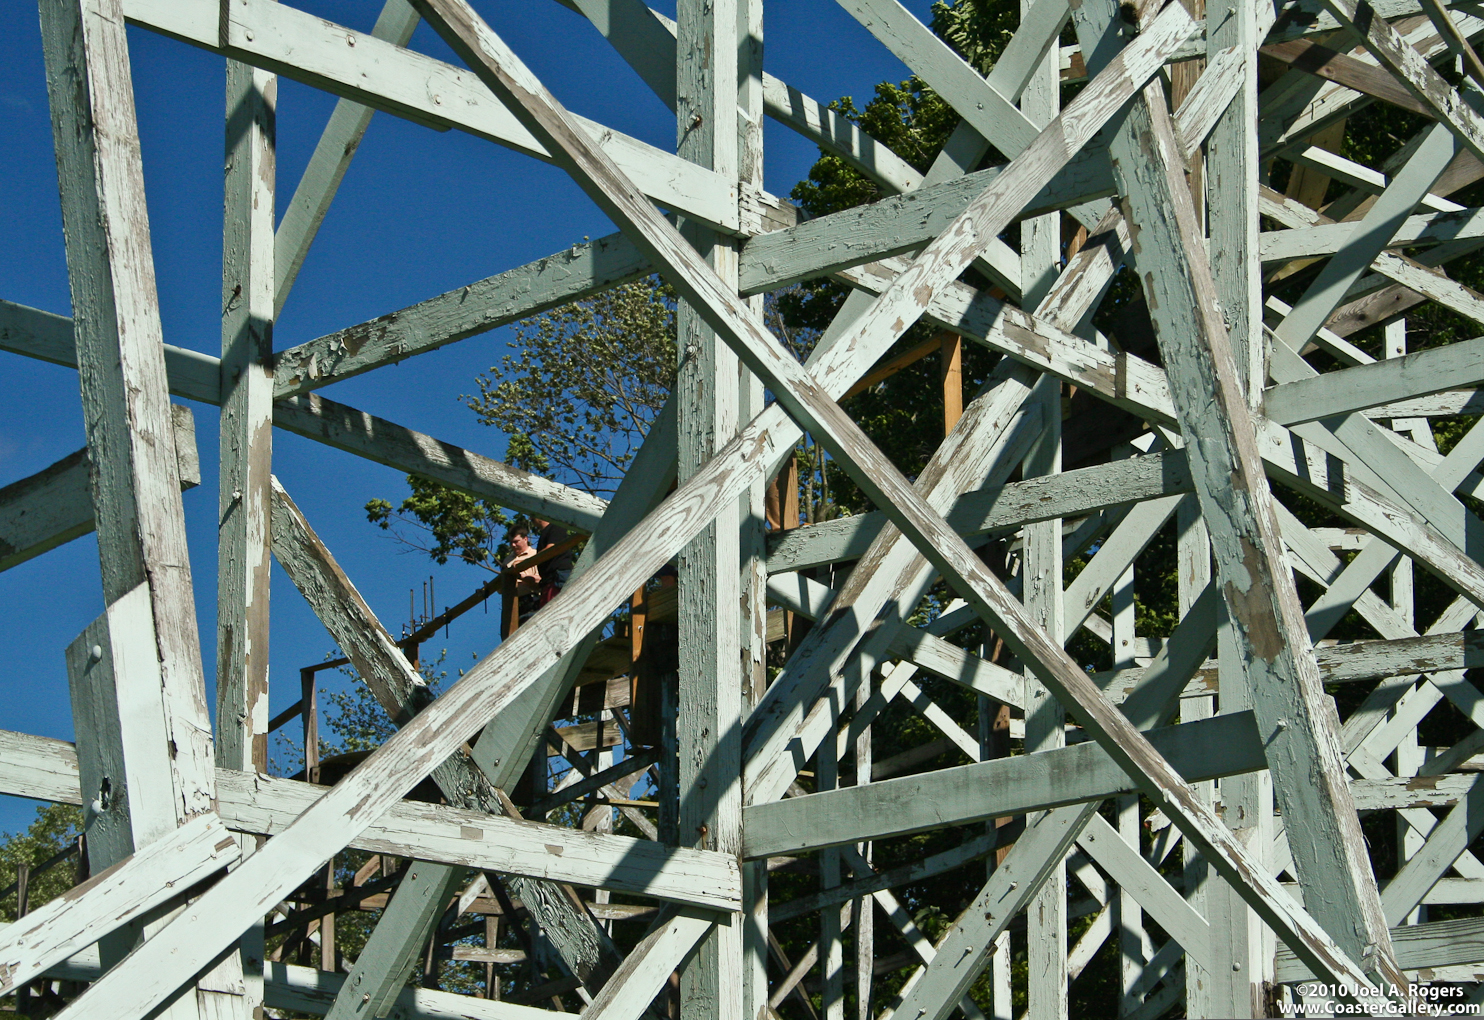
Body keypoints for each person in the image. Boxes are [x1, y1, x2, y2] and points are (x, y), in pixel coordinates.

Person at [531, 517, 575, 605]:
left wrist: (529, 562)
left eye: (532, 516)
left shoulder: (556, 527)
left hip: (558, 577)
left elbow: (550, 549)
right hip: (548, 581)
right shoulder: (545, 533)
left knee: (557, 609)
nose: (530, 519)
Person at [504, 523, 542, 623]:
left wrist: (522, 577)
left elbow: (541, 580)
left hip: (532, 602)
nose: (513, 545)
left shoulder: (535, 554)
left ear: (525, 539)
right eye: (511, 542)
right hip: (512, 606)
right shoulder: (507, 560)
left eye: (516, 542)